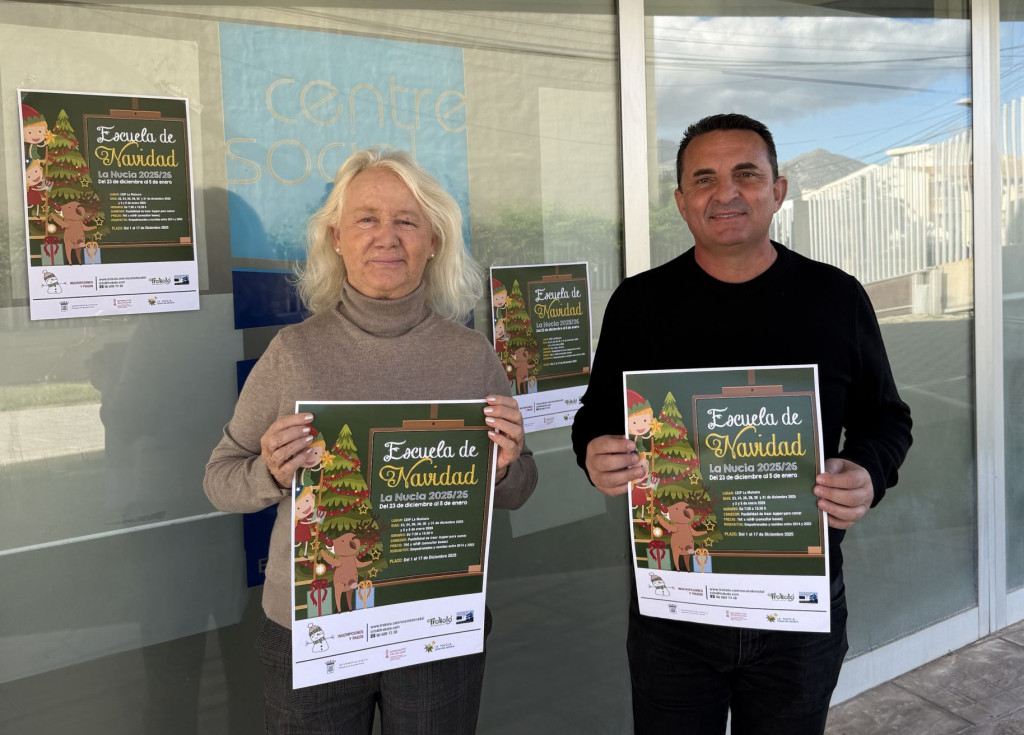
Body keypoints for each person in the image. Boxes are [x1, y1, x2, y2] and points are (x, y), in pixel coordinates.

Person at [570, 113, 912, 734]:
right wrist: (594, 450)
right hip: (675, 610)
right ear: (681, 202)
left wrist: (868, 471)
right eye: (704, 179)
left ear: (777, 191)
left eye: (746, 174)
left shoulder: (836, 298)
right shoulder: (639, 305)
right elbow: (596, 415)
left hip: (797, 610)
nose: (725, 193)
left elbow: (886, 417)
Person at [204, 148, 538, 734]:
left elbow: (518, 487)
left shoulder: (471, 357)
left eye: (407, 220)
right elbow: (220, 480)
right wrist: (270, 473)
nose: (387, 237)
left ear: (433, 241)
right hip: (313, 628)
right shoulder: (292, 353)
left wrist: (508, 466)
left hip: (435, 626)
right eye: (366, 219)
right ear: (336, 237)